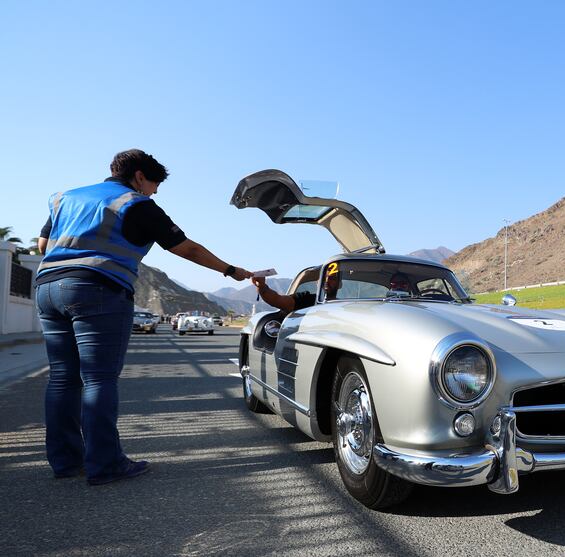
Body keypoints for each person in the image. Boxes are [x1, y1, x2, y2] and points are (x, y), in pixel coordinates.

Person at [36, 149, 253, 486]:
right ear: (139, 176)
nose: (154, 191)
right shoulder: (134, 204)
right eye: (154, 183)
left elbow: (41, 244)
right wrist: (230, 270)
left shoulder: (66, 197)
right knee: (99, 378)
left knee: (63, 377)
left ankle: (65, 462)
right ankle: (105, 464)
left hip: (48, 288)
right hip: (97, 289)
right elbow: (186, 248)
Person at [252, 263, 340, 312]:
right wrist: (262, 285)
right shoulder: (306, 299)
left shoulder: (344, 306)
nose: (327, 281)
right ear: (317, 282)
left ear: (340, 284)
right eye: (323, 278)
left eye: (332, 278)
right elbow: (277, 300)